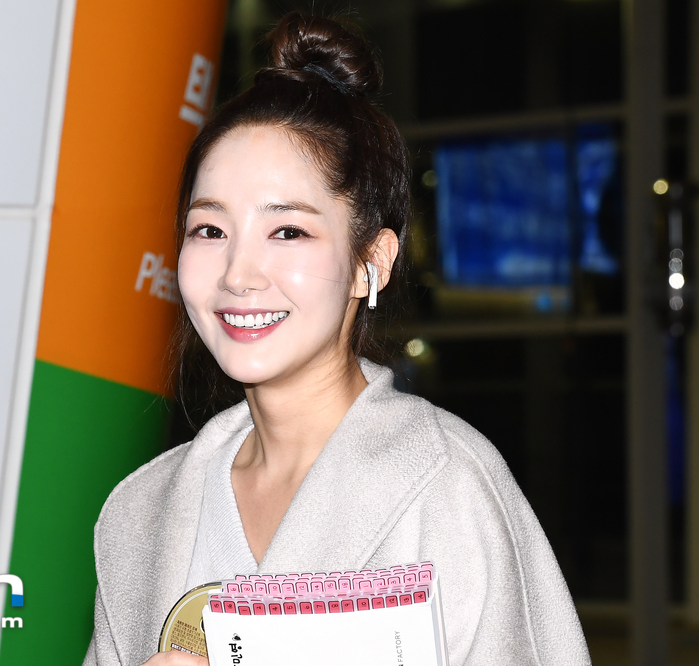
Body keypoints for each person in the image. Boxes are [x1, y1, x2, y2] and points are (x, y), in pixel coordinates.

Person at [83, 12, 590, 666]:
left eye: (287, 231)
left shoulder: (447, 489)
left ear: (369, 263)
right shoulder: (142, 515)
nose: (238, 274)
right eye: (209, 230)